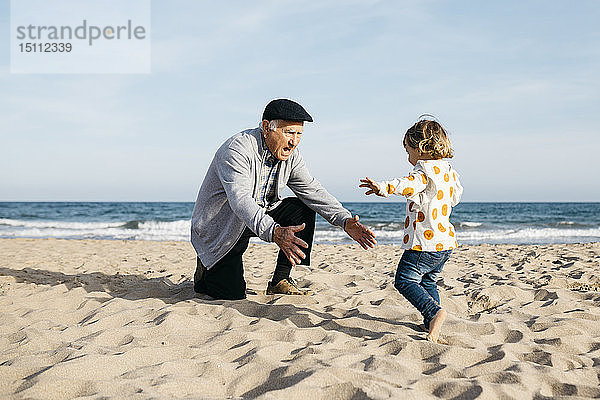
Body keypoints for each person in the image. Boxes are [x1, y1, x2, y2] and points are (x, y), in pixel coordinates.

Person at [191, 99, 376, 300]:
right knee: (231, 295)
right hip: (222, 227)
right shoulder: (237, 150)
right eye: (289, 133)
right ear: (266, 128)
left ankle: (280, 280)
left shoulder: (292, 156)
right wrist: (275, 232)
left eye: (299, 134)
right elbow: (240, 200)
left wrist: (344, 220)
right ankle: (205, 268)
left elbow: (312, 190)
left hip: (256, 216)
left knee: (301, 209)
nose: (294, 141)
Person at [359, 117, 463, 343]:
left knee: (404, 279)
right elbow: (456, 196)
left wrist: (383, 187)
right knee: (427, 281)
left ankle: (434, 312)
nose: (408, 157)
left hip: (424, 243)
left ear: (421, 148)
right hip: (445, 243)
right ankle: (430, 321)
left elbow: (407, 184)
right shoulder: (448, 171)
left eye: (408, 151)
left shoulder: (423, 170)